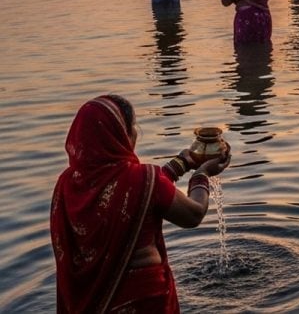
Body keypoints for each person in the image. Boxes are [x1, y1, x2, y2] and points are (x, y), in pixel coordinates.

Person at [51, 95, 231, 314]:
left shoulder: (66, 184)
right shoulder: (140, 178)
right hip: (141, 302)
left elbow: (136, 194)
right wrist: (202, 174)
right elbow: (192, 214)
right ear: (119, 135)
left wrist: (183, 162)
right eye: (133, 126)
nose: (136, 132)